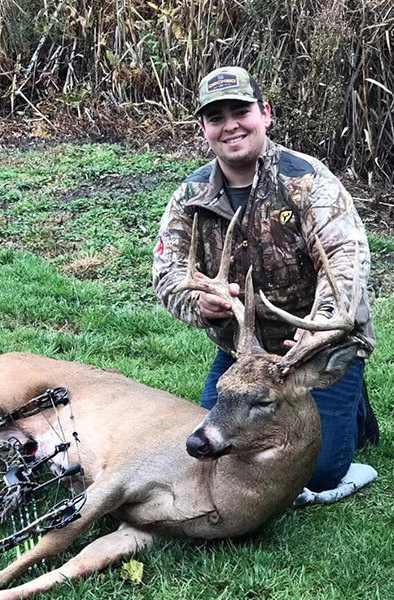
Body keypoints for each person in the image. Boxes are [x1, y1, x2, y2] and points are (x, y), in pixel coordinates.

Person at [153, 66, 379, 494]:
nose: (230, 125)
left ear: (266, 115)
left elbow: (346, 264)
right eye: (216, 117)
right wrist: (198, 305)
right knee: (212, 451)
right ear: (203, 128)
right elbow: (166, 274)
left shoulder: (309, 181)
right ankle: (341, 402)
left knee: (316, 473)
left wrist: (321, 330)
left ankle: (347, 400)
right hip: (248, 353)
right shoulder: (191, 196)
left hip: (311, 353)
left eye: (241, 111)